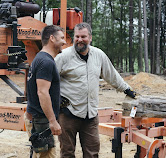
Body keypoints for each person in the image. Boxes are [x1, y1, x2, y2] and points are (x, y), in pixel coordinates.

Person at [55, 22, 136, 158]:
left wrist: (126, 89)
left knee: (92, 153)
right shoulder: (63, 56)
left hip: (90, 115)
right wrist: (55, 98)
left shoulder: (98, 55)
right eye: (77, 36)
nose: (80, 40)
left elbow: (112, 75)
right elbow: (48, 79)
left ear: (90, 38)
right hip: (68, 113)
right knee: (67, 153)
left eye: (83, 36)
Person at [25, 25, 66, 158]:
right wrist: (53, 121)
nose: (64, 42)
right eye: (62, 38)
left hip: (37, 119)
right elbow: (42, 92)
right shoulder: (46, 62)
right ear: (52, 38)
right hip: (41, 121)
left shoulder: (39, 59)